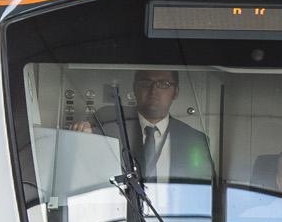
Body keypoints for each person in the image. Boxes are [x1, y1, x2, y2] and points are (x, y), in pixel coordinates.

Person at [83, 69, 213, 182]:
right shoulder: (107, 130)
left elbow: (206, 193)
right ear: (135, 89)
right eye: (146, 83)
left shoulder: (196, 141)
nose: (154, 90)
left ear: (175, 92)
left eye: (163, 84)